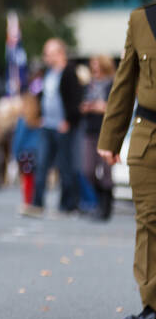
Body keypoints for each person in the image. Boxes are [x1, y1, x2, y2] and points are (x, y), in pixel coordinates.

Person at [99, 2, 156, 319]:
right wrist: (110, 137)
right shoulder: (141, 20)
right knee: (149, 220)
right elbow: (125, 81)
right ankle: (152, 309)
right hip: (149, 137)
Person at [25, 38, 82, 217]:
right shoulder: (48, 74)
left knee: (65, 166)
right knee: (41, 165)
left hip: (62, 126)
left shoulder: (69, 73)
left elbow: (75, 99)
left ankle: (68, 205)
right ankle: (37, 203)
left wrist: (69, 121)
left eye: (49, 54)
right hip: (47, 125)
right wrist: (40, 116)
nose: (46, 57)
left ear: (60, 53)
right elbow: (43, 96)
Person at [82, 55, 116, 220]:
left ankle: (106, 205)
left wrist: (99, 107)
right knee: (87, 169)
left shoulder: (112, 84)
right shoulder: (90, 84)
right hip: (90, 129)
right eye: (92, 65)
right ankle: (99, 198)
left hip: (106, 130)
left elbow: (114, 106)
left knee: (106, 171)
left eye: (97, 65)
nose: (94, 68)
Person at [13, 94, 42, 213]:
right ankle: (33, 201)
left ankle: (27, 202)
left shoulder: (23, 120)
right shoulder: (37, 121)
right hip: (35, 152)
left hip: (24, 153)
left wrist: (15, 152)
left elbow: (18, 138)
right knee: (33, 178)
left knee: (26, 179)